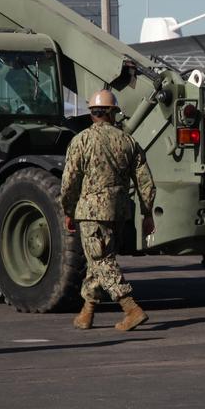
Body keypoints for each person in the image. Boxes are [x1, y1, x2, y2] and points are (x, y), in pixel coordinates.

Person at [60, 89, 156, 331]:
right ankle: (87, 312)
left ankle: (131, 308)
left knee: (101, 260)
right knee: (99, 261)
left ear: (92, 113)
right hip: (119, 212)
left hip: (90, 213)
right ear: (113, 113)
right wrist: (147, 213)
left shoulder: (81, 140)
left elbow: (69, 182)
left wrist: (68, 210)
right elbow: (145, 181)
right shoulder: (128, 141)